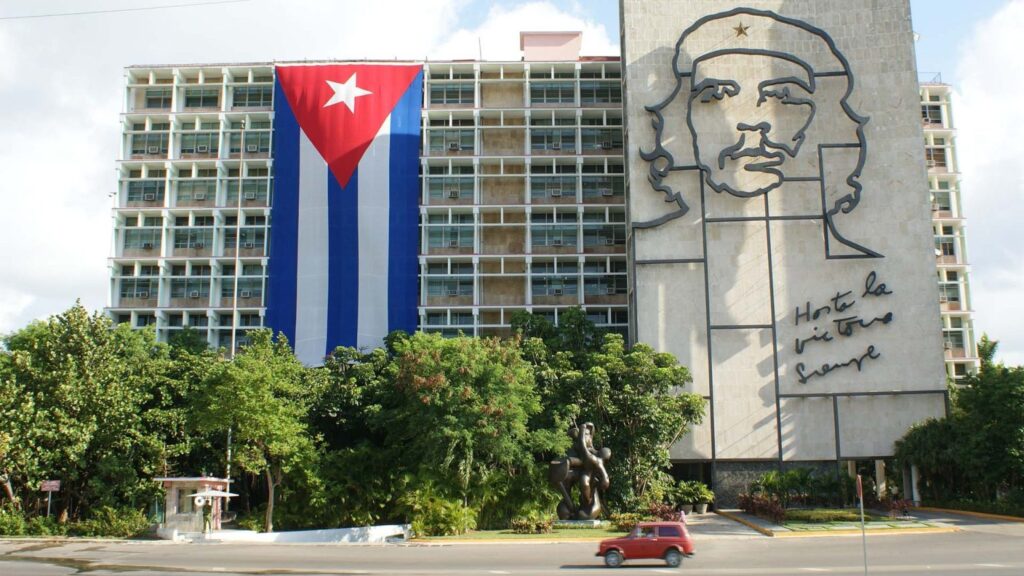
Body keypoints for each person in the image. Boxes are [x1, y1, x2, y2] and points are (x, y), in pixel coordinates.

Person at [638, 7, 879, 259]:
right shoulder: (654, 257)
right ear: (680, 120)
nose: (752, 121)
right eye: (717, 96)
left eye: (782, 96)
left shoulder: (854, 263)